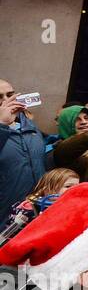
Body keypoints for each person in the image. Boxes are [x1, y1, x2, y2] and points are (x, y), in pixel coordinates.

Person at [1, 80, 49, 214]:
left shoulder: (30, 128)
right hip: (5, 215)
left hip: (35, 210)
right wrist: (2, 124)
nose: (6, 100)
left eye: (10, 94)